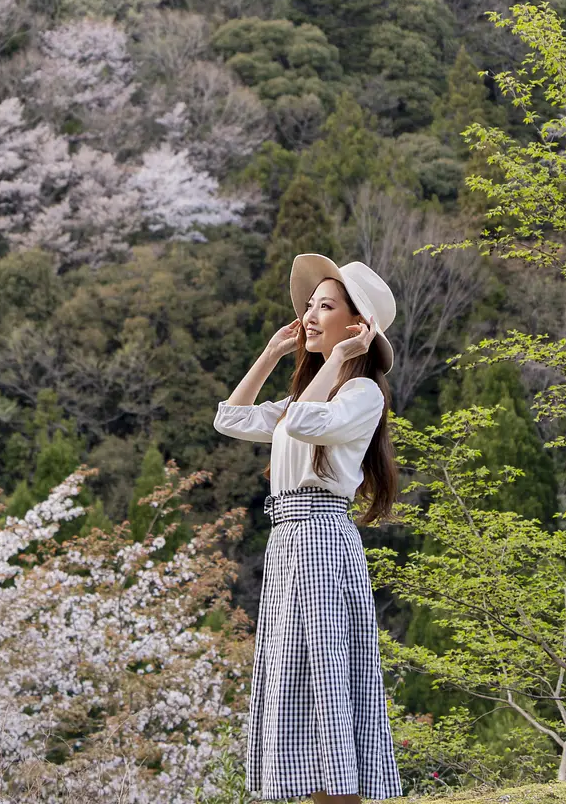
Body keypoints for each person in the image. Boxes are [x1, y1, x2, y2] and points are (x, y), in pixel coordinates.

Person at [214, 253, 403, 804]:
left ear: (357, 325)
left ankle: (342, 793)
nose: (310, 316)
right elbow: (230, 418)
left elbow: (300, 422)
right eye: (309, 306)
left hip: (320, 535)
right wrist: (272, 353)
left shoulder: (361, 395)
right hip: (289, 540)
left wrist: (341, 357)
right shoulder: (309, 395)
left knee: (325, 677)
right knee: (299, 677)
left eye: (326, 306)